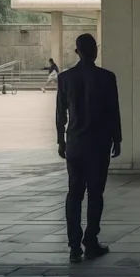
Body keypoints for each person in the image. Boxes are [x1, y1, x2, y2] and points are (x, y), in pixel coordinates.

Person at [56, 34, 121, 263]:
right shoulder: (106, 77)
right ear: (95, 50)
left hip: (75, 144)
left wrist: (61, 141)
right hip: (98, 144)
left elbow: (60, 114)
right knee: (95, 194)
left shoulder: (65, 78)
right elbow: (113, 111)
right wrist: (117, 139)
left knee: (74, 194)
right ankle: (91, 241)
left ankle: (74, 246)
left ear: (77, 51)